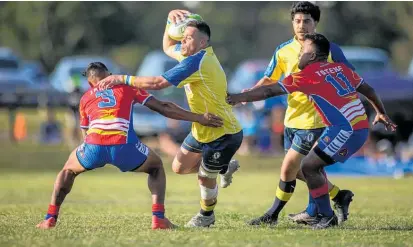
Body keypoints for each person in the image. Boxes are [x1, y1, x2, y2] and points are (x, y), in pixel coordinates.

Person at [227, 33, 397, 229]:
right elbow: (368, 90)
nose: (299, 54)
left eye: (303, 51)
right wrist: (381, 113)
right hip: (351, 127)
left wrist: (239, 96)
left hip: (346, 131)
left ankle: (326, 216)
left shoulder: (307, 75)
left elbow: (269, 91)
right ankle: (335, 199)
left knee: (309, 167)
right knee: (302, 168)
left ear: (313, 56)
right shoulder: (341, 69)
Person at [97, 11, 243, 228]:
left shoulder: (198, 61)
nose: (182, 41)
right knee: (179, 167)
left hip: (223, 131)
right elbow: (167, 45)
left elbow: (158, 83)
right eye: (183, 37)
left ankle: (206, 216)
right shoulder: (191, 55)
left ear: (203, 42)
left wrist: (122, 78)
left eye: (189, 38)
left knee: (204, 176)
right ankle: (222, 166)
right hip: (202, 127)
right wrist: (169, 19)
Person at [36, 62, 223, 230]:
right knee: (156, 167)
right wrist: (198, 118)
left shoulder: (85, 97)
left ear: (90, 82)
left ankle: (50, 219)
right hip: (124, 145)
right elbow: (163, 107)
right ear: (109, 75)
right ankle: (158, 219)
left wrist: (91, 154)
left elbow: (85, 133)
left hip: (93, 146)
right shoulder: (127, 87)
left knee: (67, 170)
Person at [246, 1, 357, 226]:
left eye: (307, 21)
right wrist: (250, 93)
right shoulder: (283, 50)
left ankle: (272, 215)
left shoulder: (328, 49)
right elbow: (269, 78)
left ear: (316, 23)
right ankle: (336, 197)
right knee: (300, 170)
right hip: (292, 118)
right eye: (297, 21)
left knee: (289, 167)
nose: (301, 25)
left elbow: (349, 74)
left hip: (317, 120)